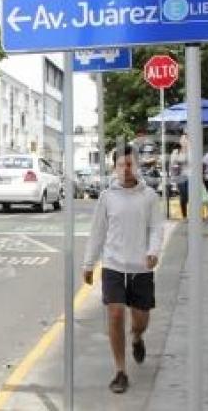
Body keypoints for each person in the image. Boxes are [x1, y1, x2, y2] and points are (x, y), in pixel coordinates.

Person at [83, 145, 165, 394]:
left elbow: (156, 228)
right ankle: (120, 371)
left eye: (130, 164)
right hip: (113, 265)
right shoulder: (107, 197)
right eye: (121, 165)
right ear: (115, 168)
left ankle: (137, 337)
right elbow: (98, 232)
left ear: (136, 166)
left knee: (140, 319)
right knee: (116, 314)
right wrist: (89, 263)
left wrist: (153, 252)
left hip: (141, 267)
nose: (126, 169)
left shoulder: (149, 196)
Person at [170, 134, 190, 219]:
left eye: (185, 139)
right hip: (180, 176)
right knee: (183, 196)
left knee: (190, 196)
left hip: (191, 176)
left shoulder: (192, 151)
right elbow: (172, 163)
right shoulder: (176, 151)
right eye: (182, 139)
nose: (183, 141)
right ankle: (184, 215)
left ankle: (193, 215)